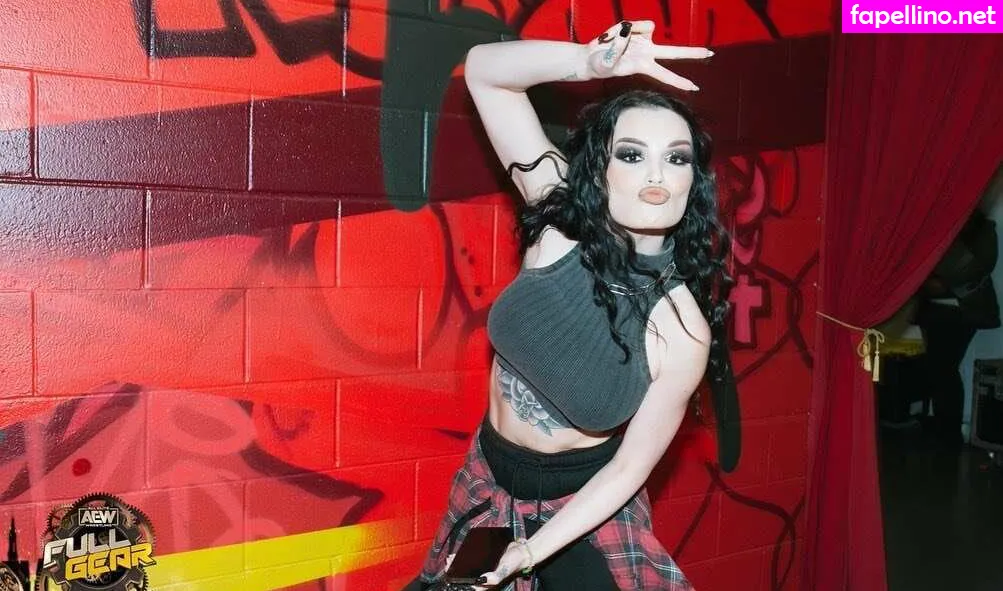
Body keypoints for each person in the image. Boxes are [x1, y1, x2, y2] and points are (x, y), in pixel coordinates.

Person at [407, 20, 735, 590]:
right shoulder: (558, 224)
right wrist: (587, 63)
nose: (656, 175)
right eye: (631, 154)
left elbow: (627, 470)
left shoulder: (682, 330)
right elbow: (484, 72)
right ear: (601, 170)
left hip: (586, 506)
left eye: (676, 158)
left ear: (693, 181)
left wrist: (530, 552)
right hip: (488, 476)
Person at [917, 208, 1000, 447]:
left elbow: (975, 270)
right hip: (935, 309)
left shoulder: (983, 230)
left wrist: (939, 282)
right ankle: (944, 425)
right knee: (938, 369)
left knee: (943, 369)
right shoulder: (942, 225)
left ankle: (948, 430)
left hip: (961, 311)